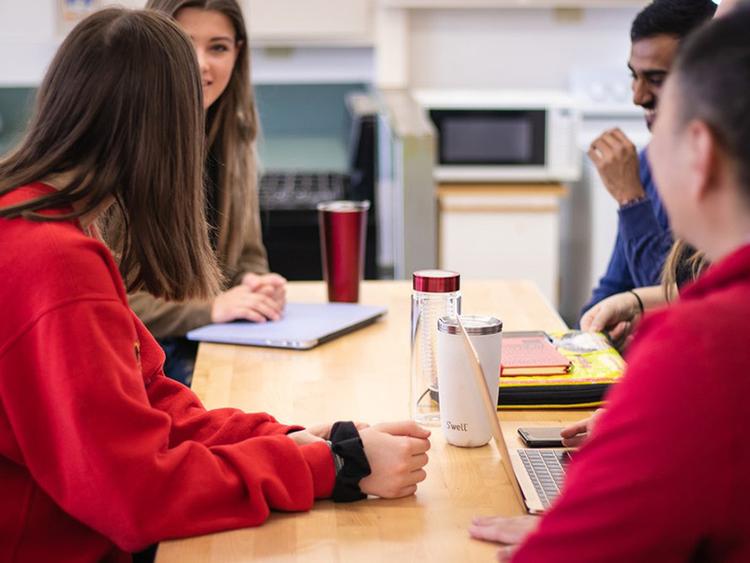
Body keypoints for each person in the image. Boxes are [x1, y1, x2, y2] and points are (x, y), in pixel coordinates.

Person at [0, 9, 430, 562]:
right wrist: (335, 467)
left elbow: (151, 405)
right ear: (167, 133)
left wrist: (296, 440)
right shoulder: (57, 263)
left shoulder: (42, 222)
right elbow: (135, 496)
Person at [470, 7, 750, 561]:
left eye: (660, 113)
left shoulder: (702, 344)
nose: (639, 106)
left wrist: (580, 524)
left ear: (698, 151)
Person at [126, 0, 286, 386]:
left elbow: (248, 258)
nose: (200, 63)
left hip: (207, 342)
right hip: (141, 357)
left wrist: (255, 286)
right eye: (183, 43)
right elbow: (106, 301)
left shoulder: (235, 140)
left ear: (238, 53)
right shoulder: (122, 149)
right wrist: (211, 308)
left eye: (218, 47)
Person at [581, 0, 716, 316]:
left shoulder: (725, 179)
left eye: (656, 79)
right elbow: (614, 285)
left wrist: (630, 199)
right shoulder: (647, 163)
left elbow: (681, 298)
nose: (638, 96)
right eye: (634, 76)